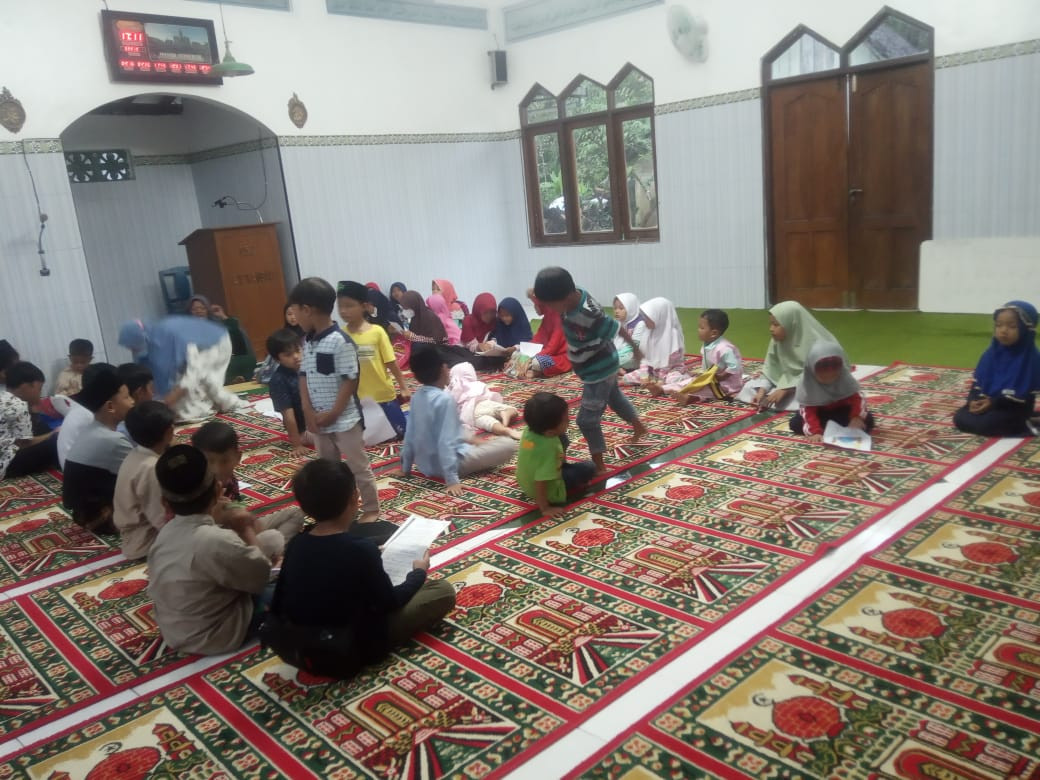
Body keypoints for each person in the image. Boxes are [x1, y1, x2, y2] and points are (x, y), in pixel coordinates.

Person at [266, 459, 456, 677]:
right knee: (442, 591)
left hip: (294, 647)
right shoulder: (360, 550)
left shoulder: (297, 544)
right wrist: (418, 574)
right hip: (347, 648)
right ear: (354, 498)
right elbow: (389, 603)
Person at [148, 444, 272, 655]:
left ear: (165, 503)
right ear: (217, 490)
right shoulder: (214, 540)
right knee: (293, 587)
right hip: (216, 635)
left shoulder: (165, 534)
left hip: (174, 631)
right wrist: (245, 529)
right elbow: (262, 576)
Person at [533, 267, 647, 474]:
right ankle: (638, 425)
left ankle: (600, 466)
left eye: (551, 305)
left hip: (599, 370)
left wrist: (637, 350)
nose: (550, 309)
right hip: (601, 362)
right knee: (614, 397)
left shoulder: (586, 314)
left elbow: (616, 327)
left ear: (566, 297)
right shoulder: (575, 292)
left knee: (586, 421)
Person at [289, 277, 381, 523]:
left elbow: (350, 380)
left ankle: (371, 508)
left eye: (295, 310)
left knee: (357, 466)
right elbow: (304, 376)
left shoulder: (340, 341)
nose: (294, 316)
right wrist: (307, 409)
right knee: (327, 470)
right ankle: (335, 508)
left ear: (307, 310)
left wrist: (333, 412)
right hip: (319, 420)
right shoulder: (307, 341)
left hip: (345, 419)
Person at [401, 346, 518, 495]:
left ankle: (475, 446)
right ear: (443, 368)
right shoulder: (444, 399)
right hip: (451, 465)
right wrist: (452, 480)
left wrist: (405, 468)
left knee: (471, 439)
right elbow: (446, 441)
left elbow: (410, 434)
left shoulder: (417, 396)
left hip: (425, 465)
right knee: (508, 445)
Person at [190, 421, 305, 558]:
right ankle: (265, 561)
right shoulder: (192, 487)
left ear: (237, 458)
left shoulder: (230, 481)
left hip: (239, 530)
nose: (216, 469)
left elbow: (237, 508)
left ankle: (271, 557)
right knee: (273, 538)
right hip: (215, 544)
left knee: (295, 514)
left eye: (224, 461)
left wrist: (246, 519)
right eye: (209, 461)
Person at [118, 315, 247, 421]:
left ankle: (231, 403)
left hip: (213, 344)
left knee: (206, 382)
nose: (133, 350)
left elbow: (194, 369)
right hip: (194, 351)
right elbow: (147, 373)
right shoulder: (142, 343)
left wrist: (174, 395)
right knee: (178, 396)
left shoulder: (170, 336)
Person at [63, 365, 135, 534]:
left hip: (84, 513)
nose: (132, 401)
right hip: (102, 516)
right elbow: (140, 476)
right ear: (110, 406)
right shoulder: (112, 440)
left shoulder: (92, 429)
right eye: (127, 397)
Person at [953, 300, 1040, 437]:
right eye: (999, 325)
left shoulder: (1031, 358)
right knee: (959, 418)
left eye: (1012, 326)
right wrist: (972, 401)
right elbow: (976, 385)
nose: (1003, 331)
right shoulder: (990, 354)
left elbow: (1020, 395)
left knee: (987, 424)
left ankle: (1027, 422)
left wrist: (993, 403)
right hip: (988, 405)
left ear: (1026, 329)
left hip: (1013, 409)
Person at [338, 281, 409, 440]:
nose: (343, 311)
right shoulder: (341, 335)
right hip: (357, 400)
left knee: (400, 434)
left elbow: (391, 362)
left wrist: (403, 386)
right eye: (340, 306)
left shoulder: (377, 332)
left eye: (349, 306)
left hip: (383, 395)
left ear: (364, 306)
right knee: (367, 439)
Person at [738, 301, 837, 411]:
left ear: (792, 323)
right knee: (749, 388)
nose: (771, 329)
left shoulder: (819, 345)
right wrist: (762, 391)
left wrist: (785, 390)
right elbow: (772, 369)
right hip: (786, 382)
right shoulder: (777, 341)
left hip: (816, 384)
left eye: (776, 325)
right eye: (770, 324)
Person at [517, 392, 596, 517]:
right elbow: (541, 481)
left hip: (525, 483)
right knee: (589, 467)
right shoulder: (549, 448)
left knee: (563, 439)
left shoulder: (529, 430)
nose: (569, 420)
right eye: (566, 420)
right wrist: (545, 508)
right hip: (549, 490)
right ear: (549, 432)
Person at [113, 401, 175, 559]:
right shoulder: (150, 468)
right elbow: (161, 519)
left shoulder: (135, 455)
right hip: (146, 542)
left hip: (133, 535)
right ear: (169, 432)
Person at [789, 342, 874, 442]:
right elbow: (808, 410)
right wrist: (815, 431)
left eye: (834, 366)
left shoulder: (844, 377)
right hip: (819, 413)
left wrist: (856, 418)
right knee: (795, 423)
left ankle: (834, 429)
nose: (829, 372)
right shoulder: (807, 383)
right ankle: (831, 429)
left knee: (868, 420)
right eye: (822, 368)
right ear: (812, 367)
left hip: (840, 410)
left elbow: (858, 398)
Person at [620, 297, 691, 396]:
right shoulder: (648, 332)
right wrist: (644, 376)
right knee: (630, 377)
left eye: (647, 318)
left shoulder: (672, 334)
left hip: (671, 370)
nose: (644, 321)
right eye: (643, 318)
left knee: (672, 379)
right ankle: (657, 385)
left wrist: (660, 380)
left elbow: (668, 363)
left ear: (659, 316)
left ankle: (662, 388)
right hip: (654, 371)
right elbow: (644, 358)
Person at [1, 362, 59, 479]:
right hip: (6, 464)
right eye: (39, 389)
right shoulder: (18, 405)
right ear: (25, 386)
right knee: (55, 441)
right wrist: (53, 434)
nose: (40, 394)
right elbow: (23, 444)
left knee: (42, 427)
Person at [677, 309, 745, 403]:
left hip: (726, 383)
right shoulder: (707, 344)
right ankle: (662, 388)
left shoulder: (724, 348)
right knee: (687, 382)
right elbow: (708, 365)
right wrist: (702, 374)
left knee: (705, 390)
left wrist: (721, 376)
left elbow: (734, 367)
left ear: (714, 333)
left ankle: (691, 398)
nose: (698, 330)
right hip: (710, 379)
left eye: (701, 328)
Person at [188, 294, 256, 384]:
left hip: (226, 357)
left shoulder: (217, 323)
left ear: (208, 310)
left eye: (202, 308)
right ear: (190, 312)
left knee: (245, 359)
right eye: (195, 309)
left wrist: (223, 316)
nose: (199, 311)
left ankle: (237, 379)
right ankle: (232, 380)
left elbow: (238, 339)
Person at [447, 362, 523, 441]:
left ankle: (506, 430)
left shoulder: (451, 390)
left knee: (490, 423)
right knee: (512, 409)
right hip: (485, 403)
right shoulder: (477, 384)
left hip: (471, 412)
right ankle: (505, 412)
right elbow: (488, 395)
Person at [265, 328, 311, 455]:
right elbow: (288, 416)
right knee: (339, 437)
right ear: (277, 359)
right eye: (288, 354)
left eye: (297, 351)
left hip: (317, 421)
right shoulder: (278, 380)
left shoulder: (306, 368)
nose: (296, 357)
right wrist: (297, 445)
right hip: (304, 431)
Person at [526, 289, 571, 378]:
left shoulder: (558, 318)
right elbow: (537, 339)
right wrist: (525, 353)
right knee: (518, 355)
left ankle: (536, 371)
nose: (534, 307)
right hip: (549, 354)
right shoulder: (547, 318)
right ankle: (534, 369)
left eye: (536, 304)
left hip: (563, 357)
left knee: (537, 362)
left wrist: (531, 358)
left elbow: (553, 347)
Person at [613, 293, 647, 371]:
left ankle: (613, 367)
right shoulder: (618, 322)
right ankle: (615, 367)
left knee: (630, 358)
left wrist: (612, 357)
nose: (617, 311)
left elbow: (633, 347)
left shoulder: (640, 324)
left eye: (621, 308)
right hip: (619, 355)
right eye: (615, 308)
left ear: (630, 308)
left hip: (632, 355)